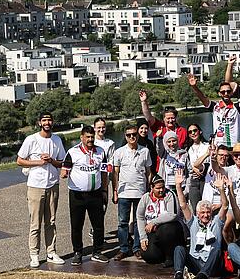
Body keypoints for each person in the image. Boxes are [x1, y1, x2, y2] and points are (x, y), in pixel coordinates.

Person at [16, 112, 66, 268]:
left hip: (53, 185)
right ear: (39, 123)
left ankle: (51, 252)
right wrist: (39, 162)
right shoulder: (31, 139)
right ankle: (34, 254)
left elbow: (62, 162)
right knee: (35, 223)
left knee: (51, 221)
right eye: (44, 120)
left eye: (49, 120)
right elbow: (19, 161)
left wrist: (51, 160)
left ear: (53, 122)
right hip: (35, 186)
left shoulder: (57, 139)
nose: (47, 122)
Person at [171, 170, 229, 279]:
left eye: (208, 212)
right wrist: (178, 186)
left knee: (216, 249)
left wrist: (221, 190)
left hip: (212, 264)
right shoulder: (193, 222)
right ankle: (178, 275)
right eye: (202, 212)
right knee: (179, 249)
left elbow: (225, 206)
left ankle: (201, 277)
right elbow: (183, 205)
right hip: (196, 261)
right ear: (198, 213)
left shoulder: (216, 222)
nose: (206, 215)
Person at [61, 125, 109, 265]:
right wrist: (65, 172)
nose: (90, 139)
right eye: (87, 137)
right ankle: (78, 252)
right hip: (77, 195)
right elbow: (64, 171)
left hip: (96, 194)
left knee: (98, 225)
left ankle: (97, 252)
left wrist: (105, 191)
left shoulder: (100, 151)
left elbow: (104, 172)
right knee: (77, 225)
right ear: (81, 137)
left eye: (92, 137)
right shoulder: (72, 152)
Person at [111, 124, 153, 260]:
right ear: (125, 136)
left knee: (138, 221)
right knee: (122, 222)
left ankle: (136, 248)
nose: (132, 137)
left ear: (137, 135)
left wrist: (148, 189)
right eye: (129, 135)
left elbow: (148, 172)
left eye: (134, 134)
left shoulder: (145, 151)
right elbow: (115, 173)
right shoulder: (119, 152)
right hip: (124, 192)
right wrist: (115, 191)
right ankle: (123, 248)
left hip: (140, 191)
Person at [137, 174, 186, 266]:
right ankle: (162, 254)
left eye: (163, 187)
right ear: (152, 188)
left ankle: (170, 257)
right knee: (149, 256)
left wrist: (154, 222)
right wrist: (143, 238)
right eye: (158, 188)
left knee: (166, 230)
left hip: (170, 229)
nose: (161, 190)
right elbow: (140, 217)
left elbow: (173, 214)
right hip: (152, 231)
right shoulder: (146, 197)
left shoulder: (170, 195)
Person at [189, 74, 240, 148]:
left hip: (234, 146)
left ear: (232, 92)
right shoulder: (215, 107)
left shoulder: (236, 107)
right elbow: (202, 98)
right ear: (219, 93)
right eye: (223, 92)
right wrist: (194, 87)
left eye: (228, 91)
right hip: (219, 146)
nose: (226, 94)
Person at [184, 124, 209, 211]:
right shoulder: (188, 149)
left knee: (206, 207)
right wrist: (194, 168)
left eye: (195, 130)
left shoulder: (207, 146)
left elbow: (209, 162)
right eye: (190, 132)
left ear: (200, 131)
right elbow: (189, 165)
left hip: (205, 179)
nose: (193, 133)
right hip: (194, 179)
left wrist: (199, 167)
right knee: (195, 208)